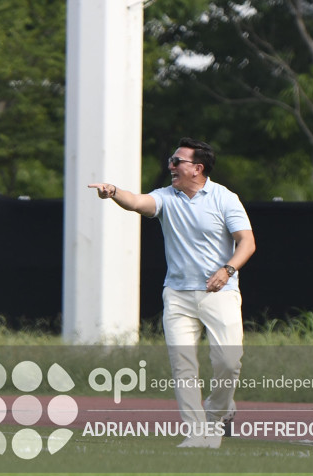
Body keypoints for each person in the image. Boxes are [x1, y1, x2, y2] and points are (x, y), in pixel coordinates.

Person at [89, 137, 256, 448]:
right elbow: (137, 202)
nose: (171, 166)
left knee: (229, 361)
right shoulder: (167, 197)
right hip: (178, 295)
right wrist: (113, 192)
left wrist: (227, 270)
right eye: (171, 161)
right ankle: (198, 432)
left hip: (219, 292)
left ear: (198, 168)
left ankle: (218, 413)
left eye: (177, 162)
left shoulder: (224, 198)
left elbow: (247, 242)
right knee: (183, 364)